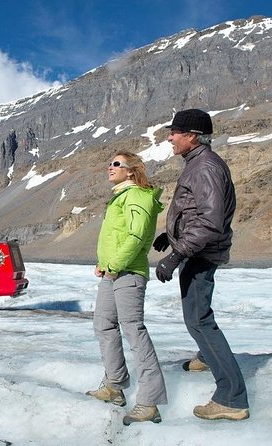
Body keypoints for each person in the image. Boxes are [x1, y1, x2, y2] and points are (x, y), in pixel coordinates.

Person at [154, 108, 250, 421]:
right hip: (196, 251)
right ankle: (206, 356)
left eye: (175, 132)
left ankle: (231, 398)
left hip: (200, 254)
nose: (170, 137)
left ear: (192, 136)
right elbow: (195, 212)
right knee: (198, 316)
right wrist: (169, 236)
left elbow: (209, 222)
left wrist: (176, 254)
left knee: (199, 320)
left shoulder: (205, 167)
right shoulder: (198, 163)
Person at [86, 151, 167, 426]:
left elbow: (137, 235)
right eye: (109, 163)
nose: (110, 167)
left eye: (117, 164)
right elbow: (117, 235)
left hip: (129, 272)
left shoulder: (138, 196)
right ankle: (115, 385)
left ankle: (149, 402)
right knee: (103, 324)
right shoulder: (120, 196)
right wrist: (104, 263)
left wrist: (116, 263)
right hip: (113, 272)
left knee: (134, 330)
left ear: (131, 171)